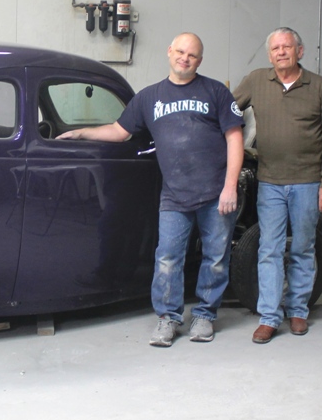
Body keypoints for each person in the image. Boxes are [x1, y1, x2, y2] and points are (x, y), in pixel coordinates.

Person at [57, 33, 244, 346]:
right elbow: (119, 131)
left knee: (215, 258)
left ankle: (205, 315)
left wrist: (230, 187)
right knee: (168, 258)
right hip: (174, 195)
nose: (185, 58)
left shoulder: (216, 92)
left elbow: (234, 138)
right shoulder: (149, 97)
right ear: (169, 51)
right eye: (180, 52)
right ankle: (168, 318)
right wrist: (81, 133)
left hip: (216, 192)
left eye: (192, 55)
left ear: (200, 60)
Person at [233, 27, 322, 344]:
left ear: (299, 51)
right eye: (276, 48)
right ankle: (269, 317)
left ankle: (298, 311)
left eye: (287, 47)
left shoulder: (319, 86)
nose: (281, 52)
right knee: (269, 249)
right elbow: (228, 109)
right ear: (270, 54)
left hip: (308, 182)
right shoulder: (256, 80)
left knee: (303, 248)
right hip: (270, 182)